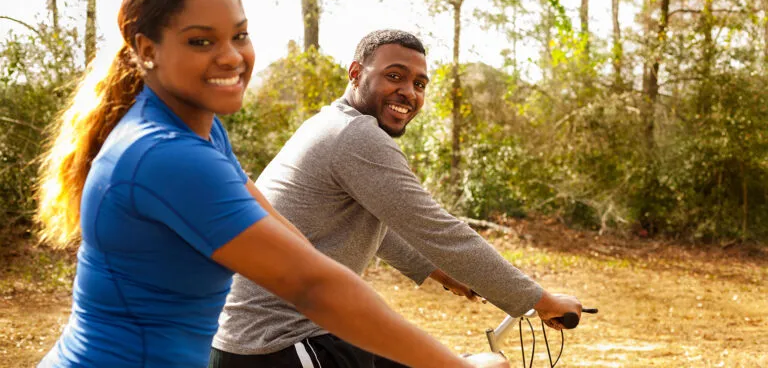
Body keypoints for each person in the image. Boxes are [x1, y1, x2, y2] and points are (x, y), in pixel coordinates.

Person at [34, 0, 504, 368]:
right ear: (147, 49)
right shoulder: (167, 155)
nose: (231, 56)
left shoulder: (201, 130)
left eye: (239, 35)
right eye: (201, 41)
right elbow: (314, 287)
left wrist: (435, 271)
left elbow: (295, 245)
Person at [211, 29, 583, 367]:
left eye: (420, 83)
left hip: (269, 339)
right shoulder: (357, 136)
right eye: (394, 76)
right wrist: (540, 300)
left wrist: (439, 272)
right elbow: (437, 231)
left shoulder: (330, 123)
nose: (409, 92)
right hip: (283, 344)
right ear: (356, 73)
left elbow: (380, 227)